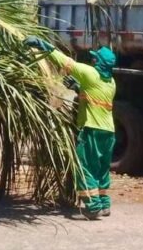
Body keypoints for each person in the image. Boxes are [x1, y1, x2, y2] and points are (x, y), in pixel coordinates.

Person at [24, 36, 116, 220]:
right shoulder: (111, 82)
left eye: (94, 58)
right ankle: (105, 204)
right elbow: (92, 94)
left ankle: (93, 206)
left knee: (84, 166)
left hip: (92, 129)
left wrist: (43, 44)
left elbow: (63, 61)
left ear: (98, 62)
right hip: (109, 132)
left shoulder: (90, 73)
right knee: (102, 168)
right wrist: (78, 88)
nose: (92, 59)